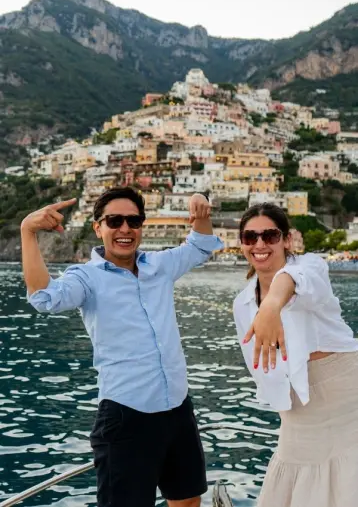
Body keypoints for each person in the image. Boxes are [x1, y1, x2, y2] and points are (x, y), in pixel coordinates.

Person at [21, 187, 223, 507]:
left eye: (133, 220)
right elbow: (45, 298)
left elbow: (200, 245)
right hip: (127, 417)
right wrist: (28, 231)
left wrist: (200, 206)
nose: (125, 229)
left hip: (178, 411)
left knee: (187, 501)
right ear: (98, 227)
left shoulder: (160, 265)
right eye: (114, 220)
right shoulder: (85, 278)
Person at [233, 203, 358, 507]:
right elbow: (263, 367)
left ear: (287, 240)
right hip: (297, 411)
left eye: (270, 235)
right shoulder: (243, 303)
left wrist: (272, 306)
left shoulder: (310, 267)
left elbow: (291, 281)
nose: (260, 244)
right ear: (242, 245)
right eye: (250, 238)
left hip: (348, 399)